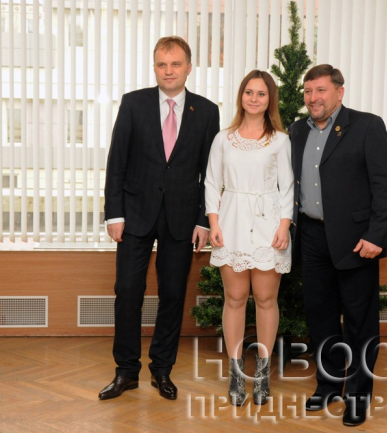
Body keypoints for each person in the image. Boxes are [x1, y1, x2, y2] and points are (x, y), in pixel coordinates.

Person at [100, 36, 220, 402]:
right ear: (154, 67)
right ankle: (126, 371)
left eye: (176, 64)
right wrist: (114, 213)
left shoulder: (206, 111)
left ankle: (162, 369)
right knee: (127, 291)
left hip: (182, 218)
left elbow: (211, 173)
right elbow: (117, 161)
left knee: (173, 294)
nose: (169, 71)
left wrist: (203, 220)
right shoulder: (133, 103)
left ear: (188, 67)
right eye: (162, 64)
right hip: (134, 215)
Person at [289, 65, 387, 426]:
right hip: (311, 236)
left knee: (359, 322)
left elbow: (385, 185)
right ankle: (329, 385)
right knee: (320, 317)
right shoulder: (297, 131)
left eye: (321, 90)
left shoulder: (367, 126)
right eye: (308, 91)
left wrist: (376, 236)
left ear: (340, 92)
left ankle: (358, 395)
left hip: (356, 240)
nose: (313, 98)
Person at [205, 70, 294, 406]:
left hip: (269, 223)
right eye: (249, 92)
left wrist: (284, 225)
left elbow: (287, 186)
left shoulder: (280, 140)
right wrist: (213, 222)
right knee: (235, 297)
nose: (254, 99)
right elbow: (211, 182)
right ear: (241, 96)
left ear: (270, 100)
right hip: (231, 222)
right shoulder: (223, 139)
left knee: (266, 299)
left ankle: (263, 375)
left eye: (261, 93)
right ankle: (236, 373)